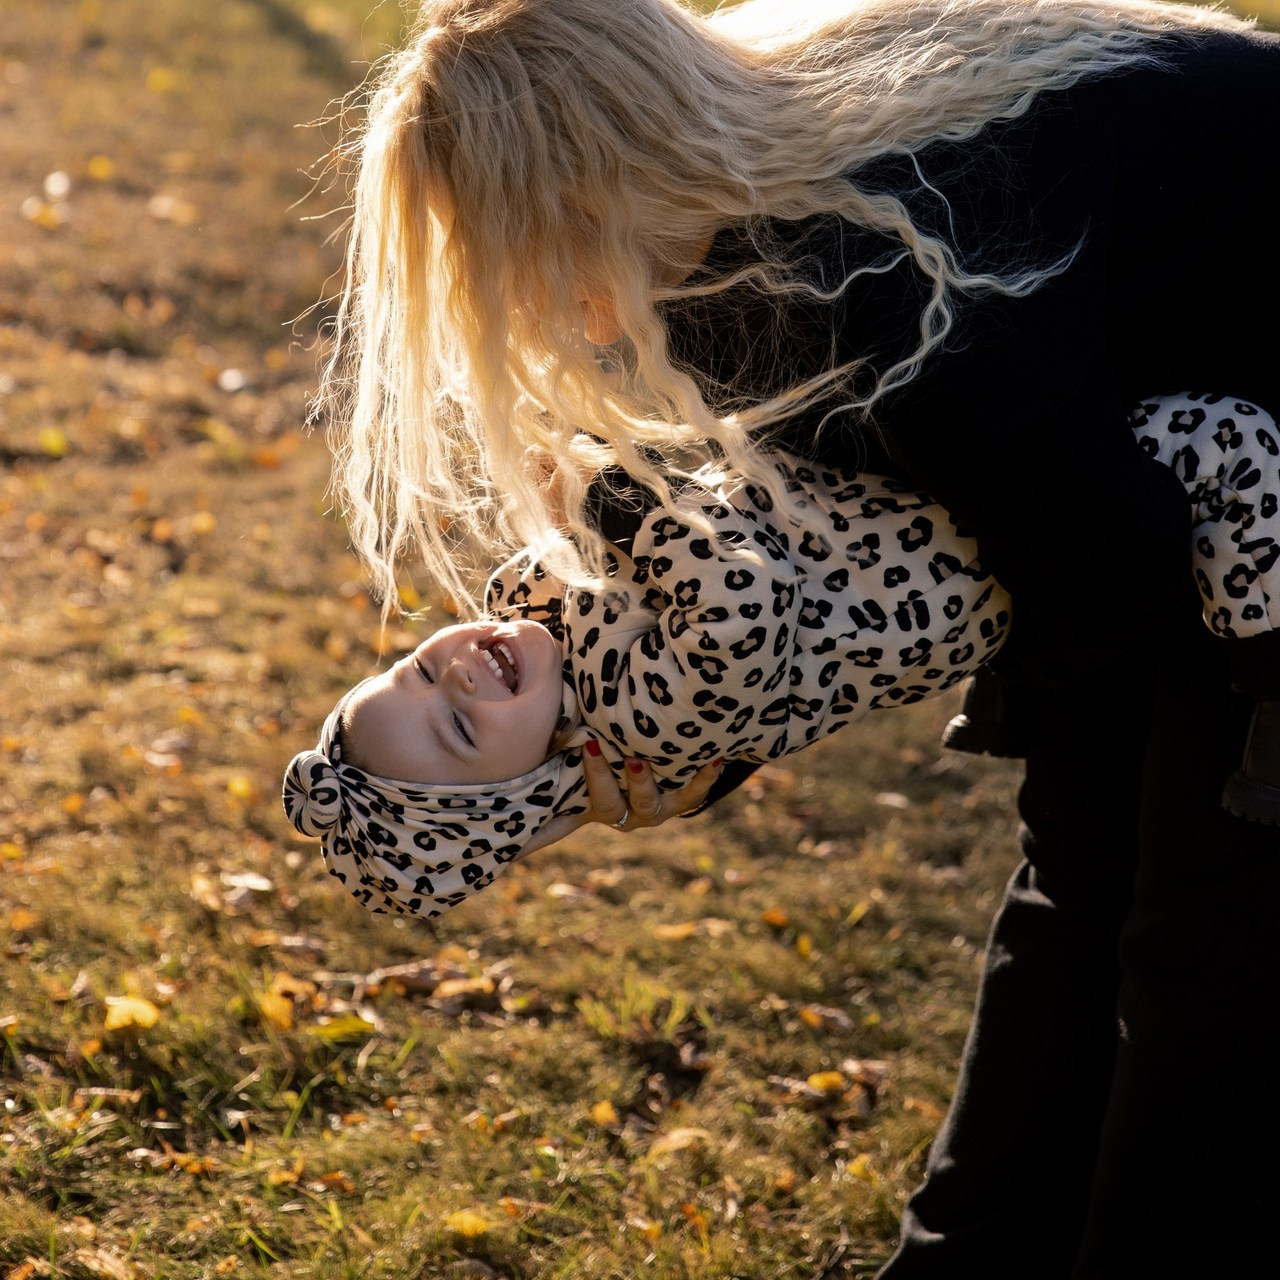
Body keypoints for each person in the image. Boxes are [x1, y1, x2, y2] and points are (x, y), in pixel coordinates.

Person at [313, 1, 1280, 1274]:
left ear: (589, 195)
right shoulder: (748, 233)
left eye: (511, 253)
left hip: (1225, 471)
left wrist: (625, 531)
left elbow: (1109, 578)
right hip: (1141, 465)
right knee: (1087, 871)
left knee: (1201, 925)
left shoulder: (897, 269)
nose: (520, 302)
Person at [285, 391, 1278, 914]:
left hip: (881, 496)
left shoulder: (537, 627)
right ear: (525, 791)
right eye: (459, 729)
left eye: (420, 669)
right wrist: (606, 495)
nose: (458, 673)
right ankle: (1266, 677)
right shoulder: (645, 729)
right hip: (957, 562)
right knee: (1230, 445)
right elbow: (735, 603)